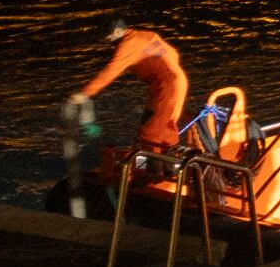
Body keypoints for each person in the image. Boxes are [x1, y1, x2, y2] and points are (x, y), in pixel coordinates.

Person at [63, 24, 192, 214]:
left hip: (166, 88)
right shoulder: (146, 35)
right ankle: (171, 171)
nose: (108, 43)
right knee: (165, 130)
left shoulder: (128, 44)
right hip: (176, 82)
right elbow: (173, 53)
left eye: (108, 38)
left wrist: (84, 94)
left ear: (116, 32)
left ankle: (148, 178)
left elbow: (111, 71)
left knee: (149, 134)